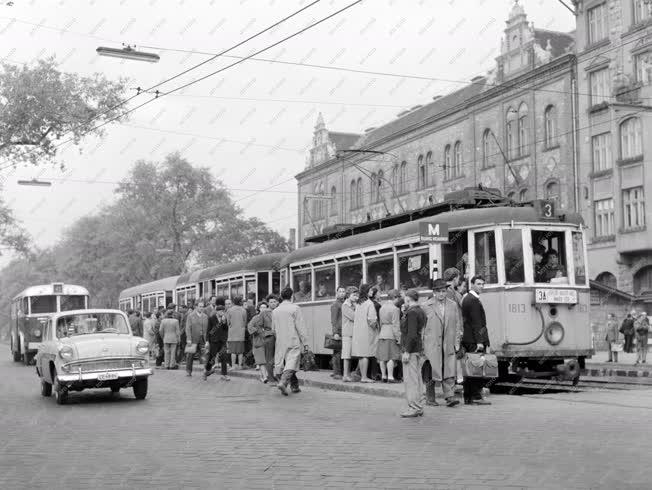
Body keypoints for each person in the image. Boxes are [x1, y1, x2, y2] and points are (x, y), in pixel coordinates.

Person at [422, 278, 462, 408]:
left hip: (448, 343)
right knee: (431, 371)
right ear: (434, 292)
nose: (441, 294)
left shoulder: (453, 305)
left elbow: (457, 325)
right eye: (439, 291)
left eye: (443, 291)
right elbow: (422, 328)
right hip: (431, 345)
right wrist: (423, 346)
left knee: (449, 370)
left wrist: (456, 342)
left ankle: (449, 397)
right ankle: (430, 397)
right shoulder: (426, 306)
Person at [460, 275, 491, 406]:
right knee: (475, 369)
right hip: (473, 340)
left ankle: (469, 397)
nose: (481, 286)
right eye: (478, 284)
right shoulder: (472, 300)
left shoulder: (468, 298)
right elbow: (476, 323)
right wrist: (480, 341)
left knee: (470, 369)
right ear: (471, 284)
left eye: (483, 284)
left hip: (470, 339)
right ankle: (475, 396)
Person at [272, 287, 308, 396]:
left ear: (281, 297)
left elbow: (273, 329)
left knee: (282, 363)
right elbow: (301, 327)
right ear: (292, 296)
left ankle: (294, 386)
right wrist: (305, 342)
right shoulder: (295, 308)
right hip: (293, 339)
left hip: (280, 341)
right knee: (291, 362)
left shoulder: (275, 311)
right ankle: (283, 382)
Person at [399, 289, 427, 418]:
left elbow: (411, 334)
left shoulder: (411, 313)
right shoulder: (420, 311)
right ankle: (418, 405)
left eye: (405, 297)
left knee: (411, 380)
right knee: (417, 378)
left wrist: (406, 351)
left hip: (411, 350)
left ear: (408, 298)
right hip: (418, 349)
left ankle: (414, 407)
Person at [351, 283, 379, 383]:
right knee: (366, 354)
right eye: (370, 290)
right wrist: (377, 327)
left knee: (361, 355)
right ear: (366, 291)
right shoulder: (369, 303)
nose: (372, 291)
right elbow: (372, 320)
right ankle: (364, 377)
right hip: (367, 331)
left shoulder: (359, 303)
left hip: (358, 331)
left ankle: (363, 376)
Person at [377, 289, 401, 383]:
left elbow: (380, 322)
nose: (399, 300)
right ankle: (390, 377)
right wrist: (398, 338)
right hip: (391, 334)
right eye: (398, 297)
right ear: (395, 297)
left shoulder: (382, 307)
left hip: (382, 333)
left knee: (383, 357)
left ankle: (383, 376)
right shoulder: (395, 309)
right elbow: (396, 325)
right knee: (391, 356)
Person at [203, 297, 230, 381]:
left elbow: (226, 329)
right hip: (214, 341)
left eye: (223, 311)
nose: (222, 313)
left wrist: (224, 322)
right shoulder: (211, 318)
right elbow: (208, 330)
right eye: (221, 311)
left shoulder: (224, 319)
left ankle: (224, 375)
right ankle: (206, 371)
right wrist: (207, 341)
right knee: (212, 358)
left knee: (224, 357)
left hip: (222, 341)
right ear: (217, 311)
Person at [247, 301, 273, 383]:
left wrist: (268, 332)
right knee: (261, 360)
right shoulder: (255, 318)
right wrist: (257, 331)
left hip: (269, 341)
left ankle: (264, 376)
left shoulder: (270, 317)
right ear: (258, 308)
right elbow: (249, 326)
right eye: (262, 307)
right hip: (258, 341)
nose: (263, 309)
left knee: (267, 360)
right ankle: (265, 377)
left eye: (265, 307)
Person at [185, 301, 208, 377]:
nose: (201, 308)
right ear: (196, 307)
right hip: (193, 339)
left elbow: (207, 328)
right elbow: (188, 328)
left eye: (202, 306)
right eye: (200, 306)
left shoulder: (205, 316)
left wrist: (207, 339)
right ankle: (188, 371)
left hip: (203, 339)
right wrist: (189, 339)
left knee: (204, 355)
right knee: (190, 355)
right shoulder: (191, 316)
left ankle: (205, 370)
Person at [341, 286, 358, 383]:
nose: (356, 297)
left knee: (350, 355)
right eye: (354, 295)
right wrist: (356, 306)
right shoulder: (345, 305)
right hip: (348, 332)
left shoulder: (351, 304)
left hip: (353, 332)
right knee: (346, 355)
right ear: (348, 295)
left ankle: (348, 374)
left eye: (357, 295)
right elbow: (354, 317)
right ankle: (345, 375)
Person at [226, 296, 248, 370]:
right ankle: (240, 365)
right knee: (240, 351)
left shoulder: (229, 310)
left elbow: (228, 322)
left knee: (233, 351)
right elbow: (245, 322)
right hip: (241, 333)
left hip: (232, 333)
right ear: (240, 302)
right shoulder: (243, 310)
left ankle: (233, 366)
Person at [330, 286, 346, 379]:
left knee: (343, 352)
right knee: (337, 352)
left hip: (345, 330)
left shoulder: (345, 303)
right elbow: (334, 320)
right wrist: (335, 332)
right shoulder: (335, 304)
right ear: (337, 293)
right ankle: (337, 372)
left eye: (343, 291)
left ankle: (341, 371)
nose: (342, 293)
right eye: (340, 291)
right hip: (338, 331)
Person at [264, 294, 280, 384]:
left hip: (280, 337)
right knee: (269, 359)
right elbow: (254, 325)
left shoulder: (279, 311)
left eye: (274, 302)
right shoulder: (264, 313)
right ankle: (270, 378)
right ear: (268, 303)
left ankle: (278, 376)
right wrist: (264, 333)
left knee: (279, 358)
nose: (273, 303)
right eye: (271, 302)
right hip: (270, 338)